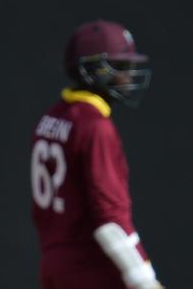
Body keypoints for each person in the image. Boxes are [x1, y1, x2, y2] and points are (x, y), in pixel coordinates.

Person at [30, 19, 163, 289]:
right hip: (94, 268)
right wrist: (144, 279)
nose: (128, 76)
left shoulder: (51, 118)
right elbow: (110, 219)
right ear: (92, 69)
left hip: (53, 265)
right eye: (120, 66)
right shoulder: (95, 126)